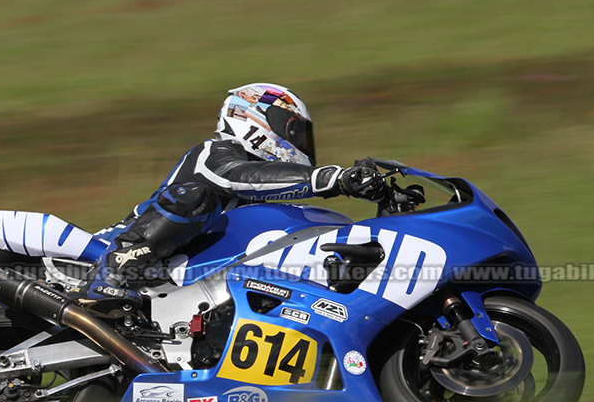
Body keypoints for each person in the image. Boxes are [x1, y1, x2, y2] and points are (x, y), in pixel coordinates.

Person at [75, 82, 387, 317]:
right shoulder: (216, 152)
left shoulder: (262, 200)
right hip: (114, 249)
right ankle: (112, 273)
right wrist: (332, 178)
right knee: (194, 197)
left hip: (183, 281)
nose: (299, 144)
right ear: (254, 117)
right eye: (293, 132)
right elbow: (239, 176)